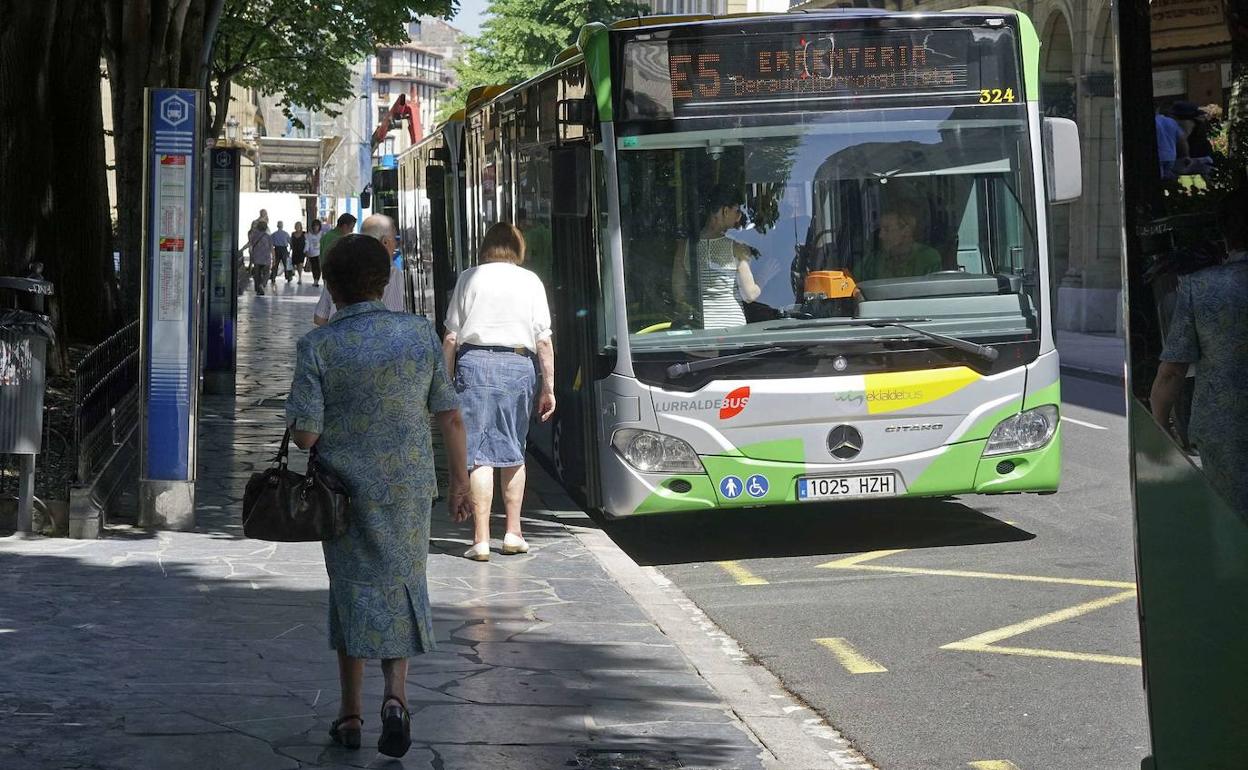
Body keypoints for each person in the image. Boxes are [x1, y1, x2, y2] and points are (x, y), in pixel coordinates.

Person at [286, 234, 472, 758]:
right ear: (384, 280)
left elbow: (305, 435)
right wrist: (460, 481)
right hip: (410, 488)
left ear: (330, 285)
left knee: (351, 591)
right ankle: (396, 699)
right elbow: (450, 414)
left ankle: (349, 714)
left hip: (343, 493)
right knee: (403, 583)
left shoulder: (317, 346)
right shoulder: (417, 335)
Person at [441, 222, 556, 561]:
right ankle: (513, 532)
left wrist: (444, 383)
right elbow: (543, 341)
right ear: (517, 248)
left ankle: (480, 539)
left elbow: (450, 338)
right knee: (512, 449)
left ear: (485, 246)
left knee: (477, 453)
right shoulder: (530, 281)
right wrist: (548, 387)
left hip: (472, 363)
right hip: (517, 365)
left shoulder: (469, 277)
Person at [1151, 187, 1248, 518]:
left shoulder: (1201, 287)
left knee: (1232, 521)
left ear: (1225, 233)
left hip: (1225, 429)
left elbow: (1172, 371)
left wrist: (1161, 425)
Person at [670, 186, 764, 329]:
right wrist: (764, 278)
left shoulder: (684, 247)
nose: (739, 217)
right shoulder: (737, 248)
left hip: (702, 326)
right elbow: (749, 294)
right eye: (737, 211)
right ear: (725, 211)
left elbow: (679, 294)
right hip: (733, 326)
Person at [313, 214, 405, 325]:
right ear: (385, 242)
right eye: (395, 239)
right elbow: (394, 318)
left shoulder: (339, 270)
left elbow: (320, 318)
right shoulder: (393, 273)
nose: (396, 244)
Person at [859, 203, 942, 281]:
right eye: (880, 229)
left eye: (886, 229)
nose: (880, 235)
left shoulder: (928, 258)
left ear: (906, 231)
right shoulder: (872, 262)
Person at [1155, 108, 1189, 180]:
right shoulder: (1171, 122)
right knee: (1168, 179)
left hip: (1158, 155)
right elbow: (1182, 139)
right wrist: (1186, 155)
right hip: (1171, 156)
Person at [245, 220, 273, 295]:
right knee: (266, 273)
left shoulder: (254, 235)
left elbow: (249, 244)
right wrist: (274, 258)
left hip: (257, 258)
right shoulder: (268, 237)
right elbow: (271, 248)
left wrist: (242, 250)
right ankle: (262, 284)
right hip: (266, 258)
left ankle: (257, 288)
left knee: (257, 274)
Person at [306, 219, 324, 286]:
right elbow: (307, 243)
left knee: (319, 267)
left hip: (319, 253)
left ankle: (317, 280)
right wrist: (306, 251)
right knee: (314, 267)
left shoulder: (321, 234)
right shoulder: (309, 235)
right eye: (314, 226)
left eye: (317, 226)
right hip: (311, 253)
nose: (316, 227)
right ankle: (315, 280)